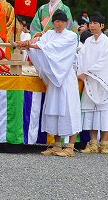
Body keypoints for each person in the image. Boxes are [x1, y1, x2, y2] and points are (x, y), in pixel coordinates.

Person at [19, 10, 81, 157]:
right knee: (54, 110)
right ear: (53, 23)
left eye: (62, 21)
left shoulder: (71, 36)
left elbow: (54, 48)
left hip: (66, 77)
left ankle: (71, 146)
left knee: (69, 109)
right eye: (56, 21)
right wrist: (28, 46)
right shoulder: (48, 34)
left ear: (66, 23)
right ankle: (57, 144)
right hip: (54, 78)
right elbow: (41, 47)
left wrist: (33, 46)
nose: (59, 24)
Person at [76, 12, 108, 154]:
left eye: (95, 23)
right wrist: (81, 71)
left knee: (103, 112)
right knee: (90, 112)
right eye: (90, 23)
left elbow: (104, 62)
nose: (92, 26)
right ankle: (93, 143)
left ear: (102, 26)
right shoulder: (88, 41)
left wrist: (86, 72)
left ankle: (104, 143)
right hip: (90, 81)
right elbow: (82, 58)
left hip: (102, 81)